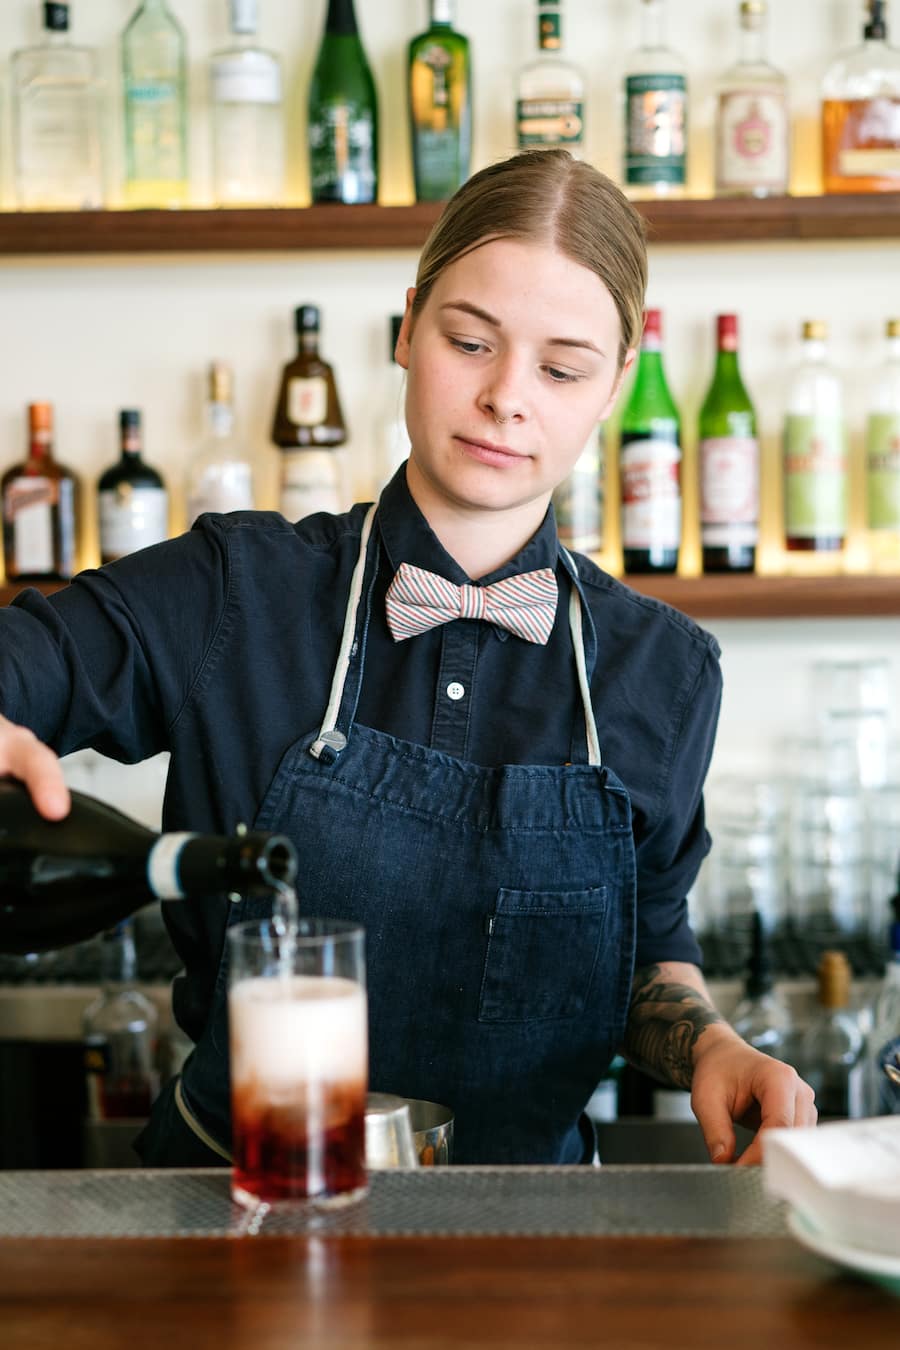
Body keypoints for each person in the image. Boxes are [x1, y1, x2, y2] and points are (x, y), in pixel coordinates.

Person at [0, 150, 815, 1168]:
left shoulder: (664, 668)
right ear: (407, 327)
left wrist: (711, 1044)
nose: (506, 397)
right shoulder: (232, 590)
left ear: (613, 385)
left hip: (542, 1248)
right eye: (471, 341)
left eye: (561, 368)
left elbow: (654, 942)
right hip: (232, 1212)